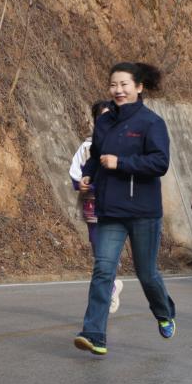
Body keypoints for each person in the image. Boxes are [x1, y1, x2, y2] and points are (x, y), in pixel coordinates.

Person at [74, 62, 176, 356]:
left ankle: (164, 312)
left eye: (124, 84)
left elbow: (160, 162)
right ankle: (94, 334)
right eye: (113, 85)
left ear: (139, 87)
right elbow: (95, 155)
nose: (117, 90)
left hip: (143, 212)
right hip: (111, 210)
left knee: (147, 273)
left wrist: (121, 163)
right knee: (103, 270)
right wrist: (88, 173)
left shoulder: (152, 123)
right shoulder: (104, 121)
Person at [69, 100, 123, 311]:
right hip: (93, 206)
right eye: (101, 117)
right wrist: (82, 183)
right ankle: (112, 286)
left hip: (117, 206)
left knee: (108, 250)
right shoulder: (87, 147)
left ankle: (108, 290)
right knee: (99, 249)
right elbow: (76, 172)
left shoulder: (124, 145)